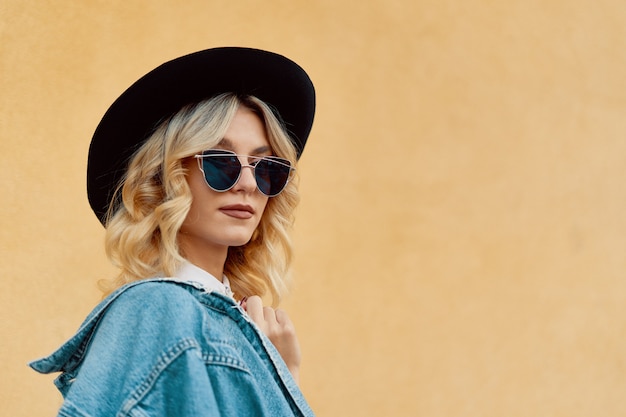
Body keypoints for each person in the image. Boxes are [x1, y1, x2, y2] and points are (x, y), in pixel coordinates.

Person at [29, 47, 316, 416]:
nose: (247, 183)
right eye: (221, 162)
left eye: (267, 169)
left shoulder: (229, 324)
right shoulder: (159, 309)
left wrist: (278, 373)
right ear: (164, 178)